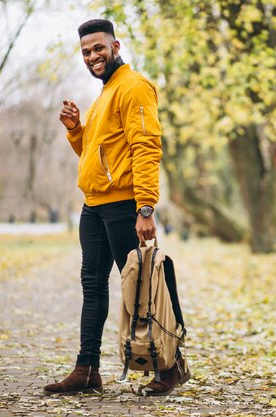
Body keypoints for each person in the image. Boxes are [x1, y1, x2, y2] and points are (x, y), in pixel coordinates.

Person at [44, 19, 189, 396]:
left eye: (98, 48)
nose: (92, 56)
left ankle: (171, 366)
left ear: (115, 45)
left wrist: (145, 207)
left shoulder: (134, 87)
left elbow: (146, 148)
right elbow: (96, 154)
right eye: (86, 52)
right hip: (94, 207)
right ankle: (86, 369)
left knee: (141, 288)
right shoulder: (107, 91)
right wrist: (77, 130)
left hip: (124, 206)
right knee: (92, 287)